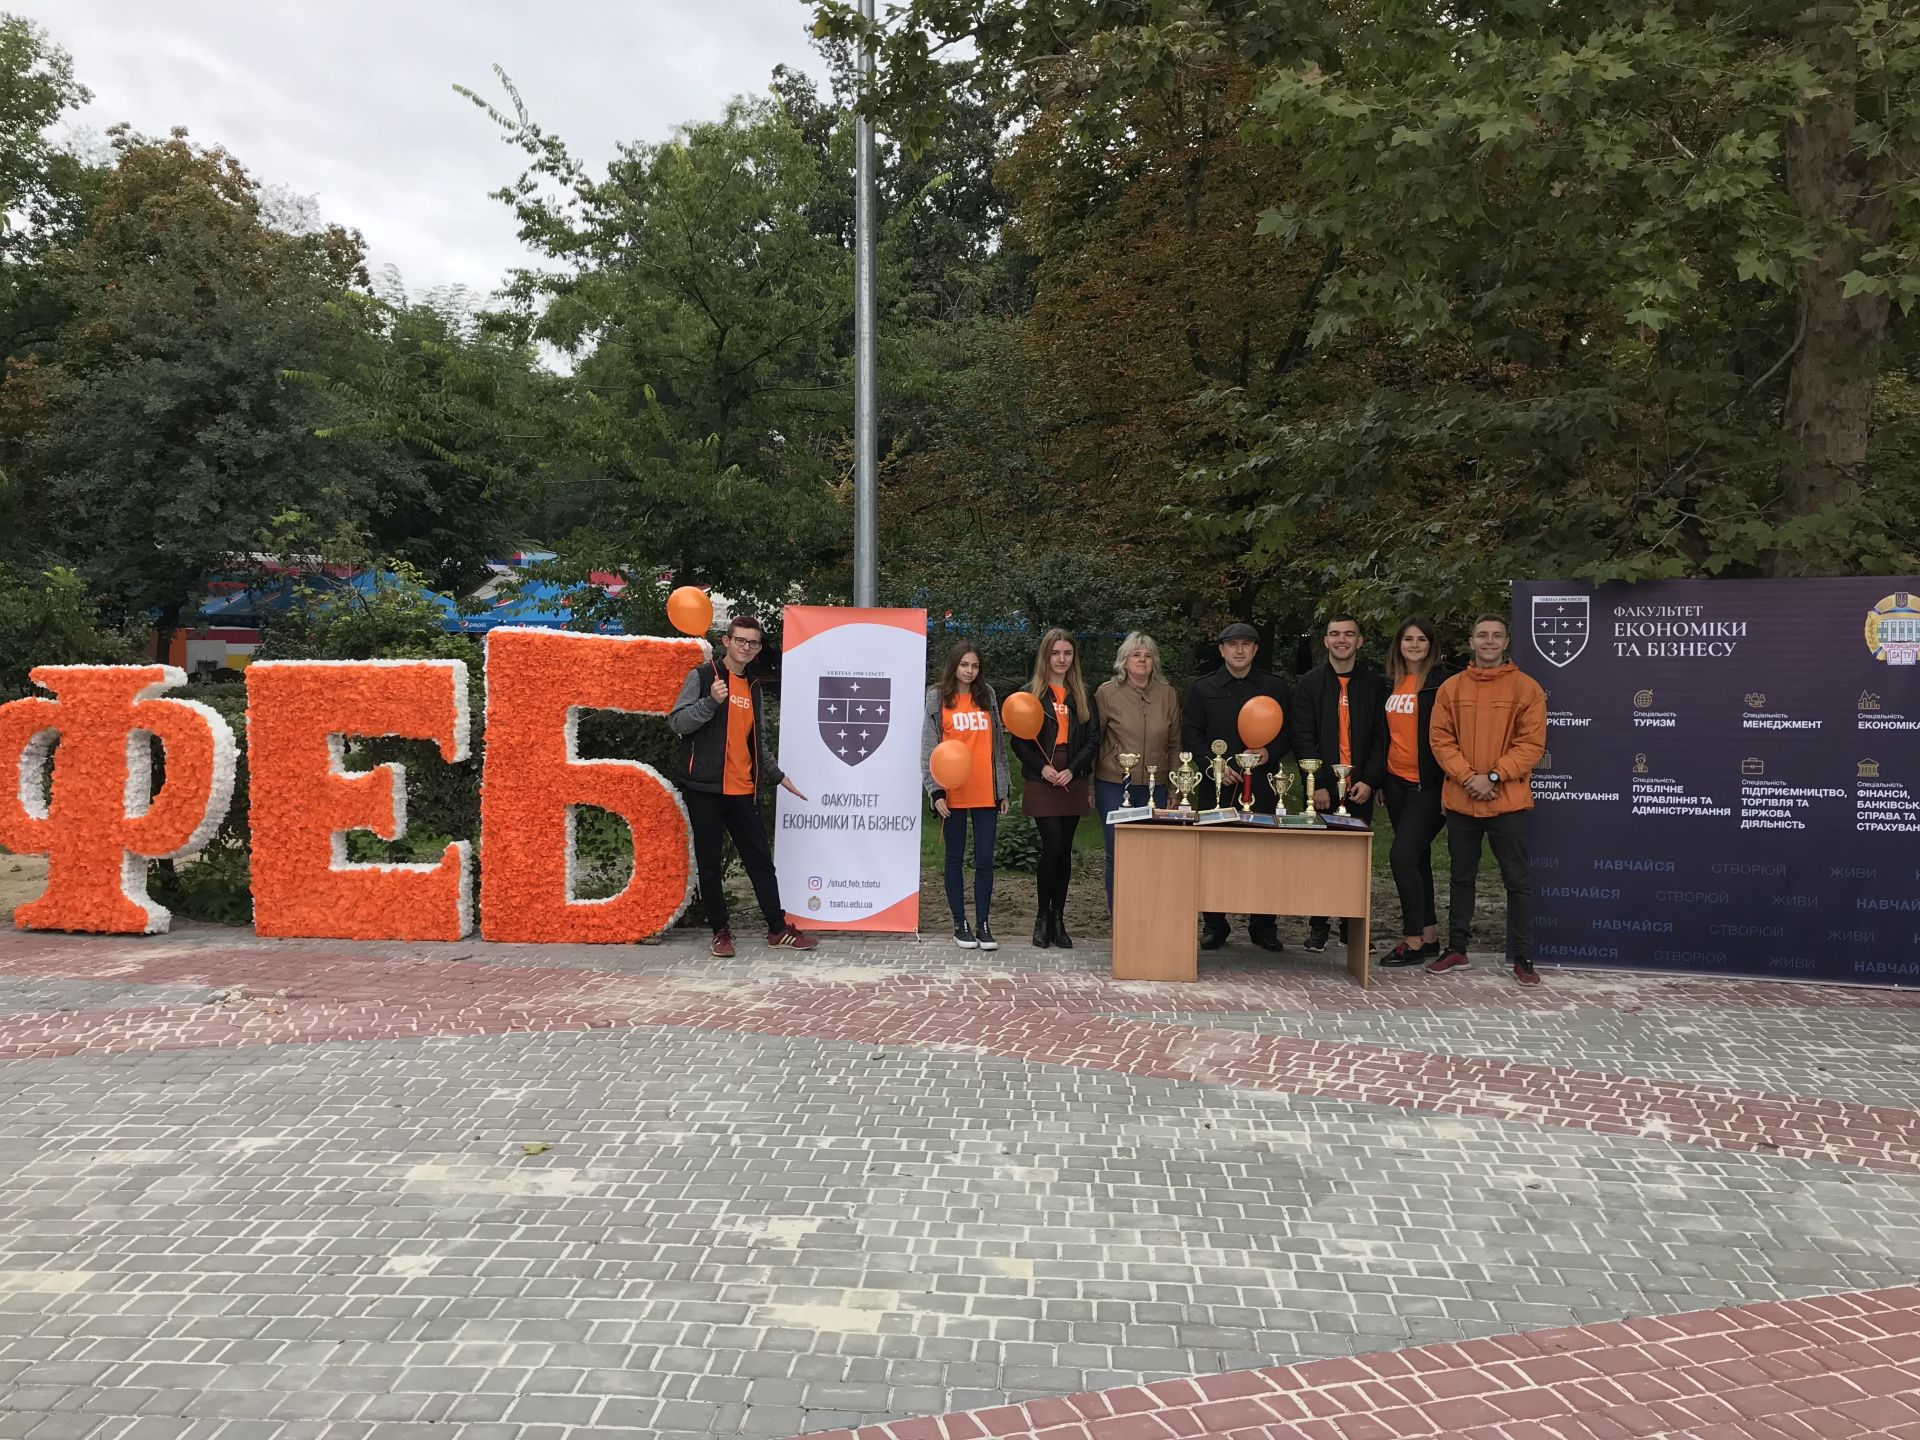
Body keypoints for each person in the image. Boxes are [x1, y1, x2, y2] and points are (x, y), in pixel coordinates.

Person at [668, 613, 817, 956]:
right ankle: (720, 932)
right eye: (740, 640)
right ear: (726, 641)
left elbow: (757, 741)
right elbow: (677, 722)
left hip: (743, 790)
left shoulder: (753, 687)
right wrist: (710, 702)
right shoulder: (702, 677)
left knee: (760, 861)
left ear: (759, 648)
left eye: (753, 643)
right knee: (709, 865)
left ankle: (777, 929)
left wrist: (777, 776)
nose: (746, 647)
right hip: (705, 789)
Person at [1426, 612, 1547, 986]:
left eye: (1496, 635)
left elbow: (1531, 745)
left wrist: (1493, 776)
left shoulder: (1527, 689)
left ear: (1506, 642)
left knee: (1517, 881)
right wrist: (1468, 778)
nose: (1489, 641)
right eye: (1482, 635)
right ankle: (1457, 948)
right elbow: (1440, 740)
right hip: (1462, 800)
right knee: (1461, 877)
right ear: (1471, 641)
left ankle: (1524, 957)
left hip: (1507, 801)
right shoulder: (1451, 688)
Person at [1182, 621, 1291, 951]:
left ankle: (1263, 925)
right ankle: (1215, 924)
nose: (1239, 650)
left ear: (1255, 650)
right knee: (1214, 855)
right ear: (1221, 650)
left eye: (1246, 644)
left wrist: (1271, 752)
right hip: (1217, 785)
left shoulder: (1275, 687)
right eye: (1232, 644)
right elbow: (1191, 735)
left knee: (1265, 855)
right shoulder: (1202, 689)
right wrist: (1213, 765)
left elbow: (1291, 731)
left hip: (1263, 783)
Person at [1289, 614, 1388, 953]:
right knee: (1320, 859)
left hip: (1359, 789)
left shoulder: (1374, 685)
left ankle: (1352, 928)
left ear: (1359, 641)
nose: (1341, 640)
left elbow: (1381, 737)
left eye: (1349, 634)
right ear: (1326, 641)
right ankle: (1318, 927)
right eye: (1334, 634)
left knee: (1355, 862)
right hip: (1321, 790)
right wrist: (1315, 783)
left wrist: (1371, 780)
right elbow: (1302, 735)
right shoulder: (1309, 684)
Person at [1010, 627, 1099, 950]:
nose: (1061, 659)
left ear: (1074, 657)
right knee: (1053, 846)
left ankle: (1058, 919)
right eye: (1055, 653)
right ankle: (1042, 918)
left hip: (1072, 776)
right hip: (1042, 777)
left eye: (1067, 653)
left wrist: (1072, 770)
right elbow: (1019, 741)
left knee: (1065, 849)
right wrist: (1043, 768)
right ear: (1045, 656)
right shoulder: (1030, 694)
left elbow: (1093, 738)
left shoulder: (1082, 693)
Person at [922, 641, 1011, 950]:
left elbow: (998, 747)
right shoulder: (937, 697)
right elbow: (929, 747)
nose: (970, 671)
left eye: (975, 666)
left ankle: (984, 924)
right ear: (954, 665)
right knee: (954, 859)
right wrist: (935, 791)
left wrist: (1003, 789)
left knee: (985, 859)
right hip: (953, 793)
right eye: (964, 665)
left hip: (986, 791)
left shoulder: (988, 696)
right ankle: (960, 923)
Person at [1378, 618, 1453, 966]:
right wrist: (1381, 780)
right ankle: (1430, 936)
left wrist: (1450, 783)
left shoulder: (1442, 684)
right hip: (1396, 783)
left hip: (1429, 785)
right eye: (1408, 639)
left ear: (1431, 645)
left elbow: (1453, 736)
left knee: (1402, 857)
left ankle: (1412, 941)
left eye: (1421, 639)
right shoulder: (1389, 683)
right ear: (1399, 644)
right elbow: (1384, 735)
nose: (1414, 645)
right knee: (1418, 858)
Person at [1093, 632, 1182, 913]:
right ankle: (1118, 913)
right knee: (1117, 851)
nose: (1142, 660)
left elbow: (1175, 743)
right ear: (1124, 660)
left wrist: (1175, 787)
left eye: (1147, 656)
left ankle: (1148, 911)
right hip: (1113, 783)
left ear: (1154, 661)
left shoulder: (1167, 694)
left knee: (1152, 851)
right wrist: (1089, 787)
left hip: (1157, 785)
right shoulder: (1107, 693)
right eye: (1136, 655)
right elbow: (1094, 741)